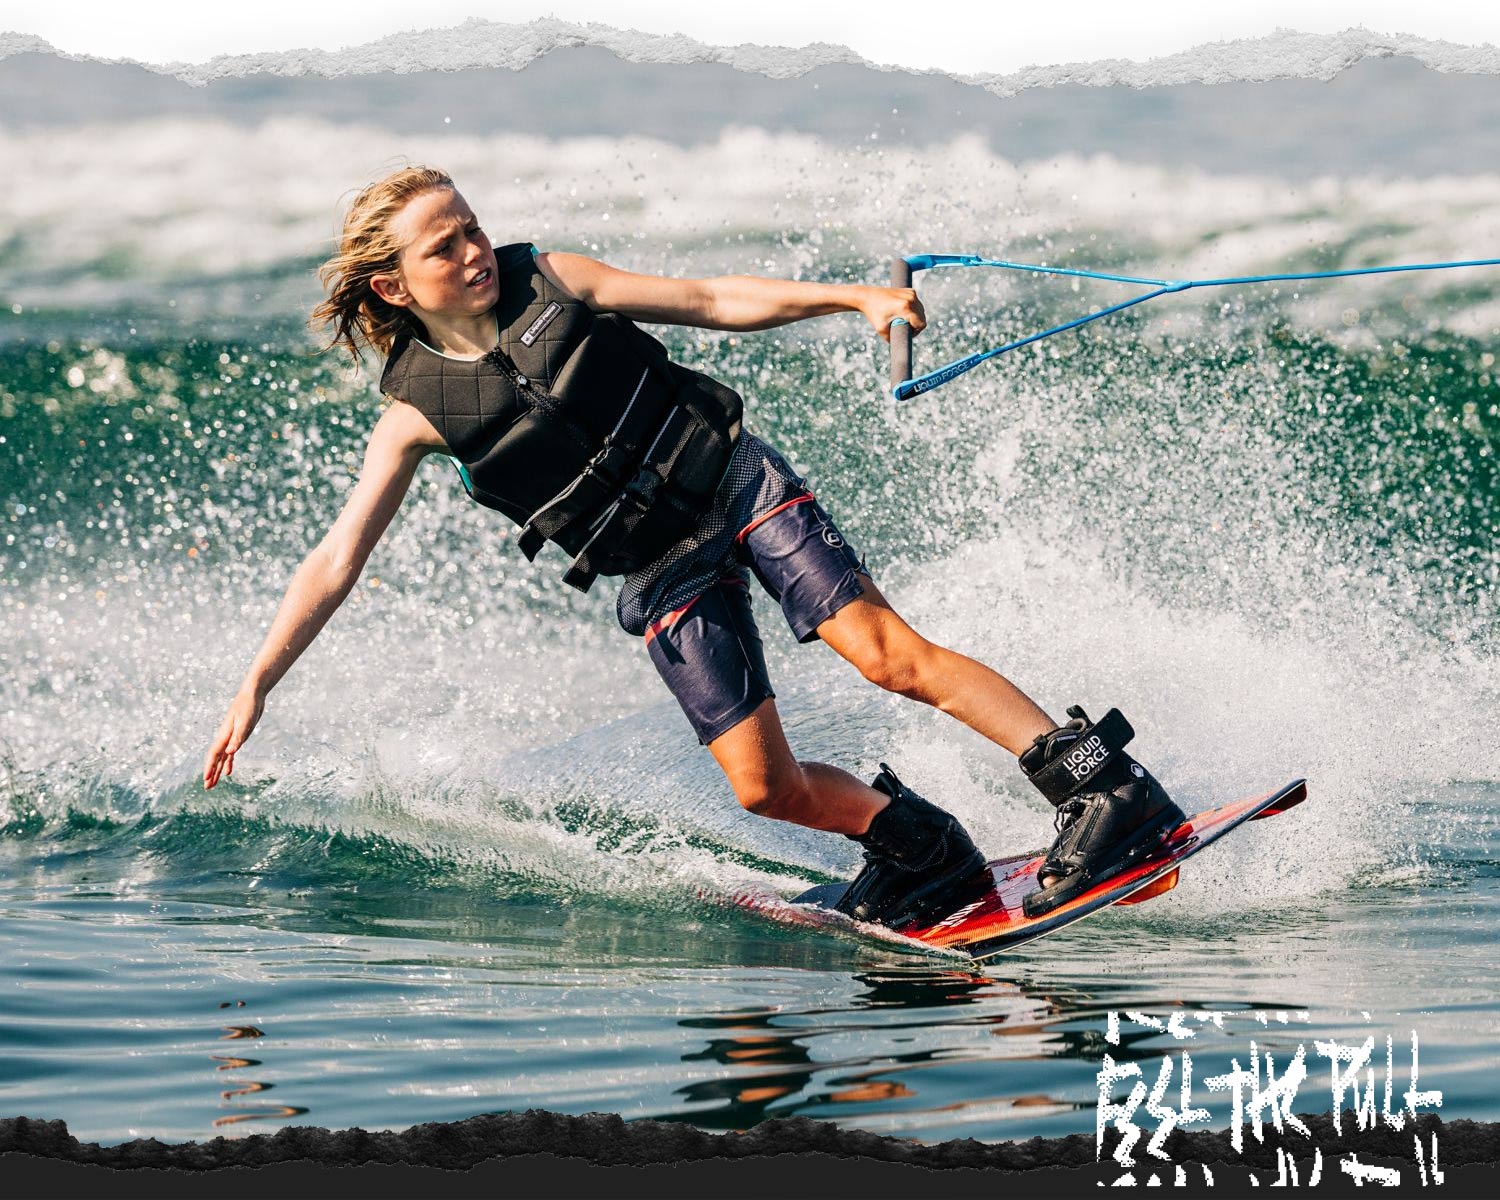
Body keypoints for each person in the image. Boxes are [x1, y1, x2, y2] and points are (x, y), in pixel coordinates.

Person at [202, 166, 1184, 927]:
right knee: (765, 787)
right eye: (443, 246)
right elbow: (335, 562)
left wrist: (853, 300)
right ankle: (920, 849)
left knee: (890, 656)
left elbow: (711, 299)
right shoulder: (415, 413)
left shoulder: (554, 277)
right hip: (659, 566)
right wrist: (258, 680)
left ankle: (1104, 785)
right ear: (392, 282)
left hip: (734, 483)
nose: (473, 250)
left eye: (471, 226)